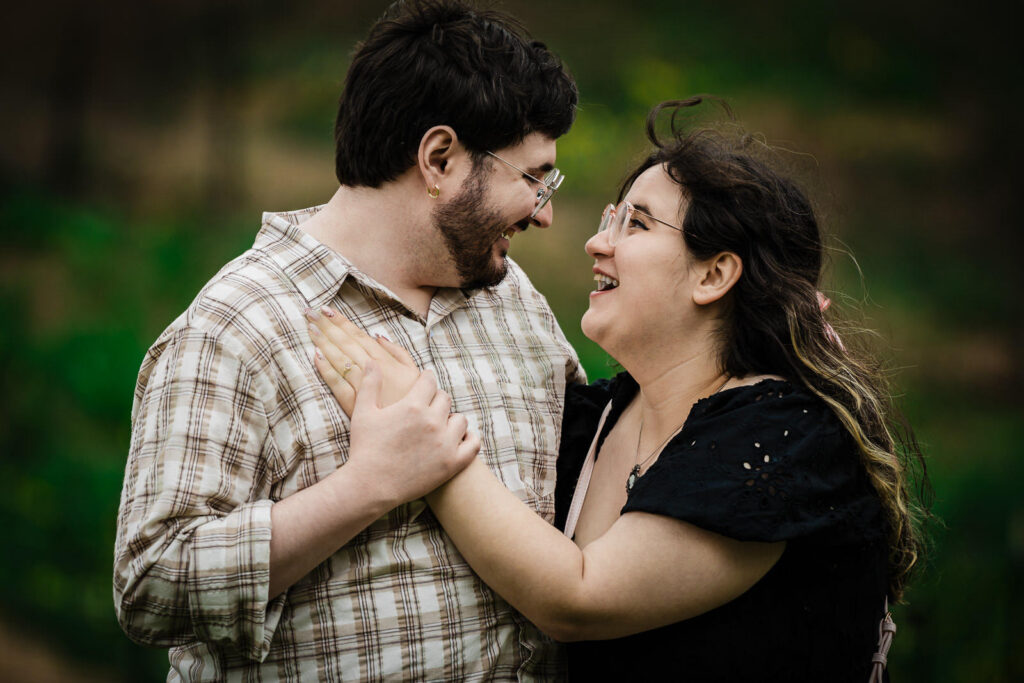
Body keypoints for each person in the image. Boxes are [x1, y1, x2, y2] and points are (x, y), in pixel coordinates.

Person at [308, 97, 930, 681]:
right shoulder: (597, 417)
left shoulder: (785, 435)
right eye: (612, 217)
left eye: (636, 224)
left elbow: (578, 599)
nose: (596, 242)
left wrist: (427, 443)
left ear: (714, 274)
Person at [113, 1, 583, 680]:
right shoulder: (238, 325)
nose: (545, 212)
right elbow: (150, 585)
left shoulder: (516, 303)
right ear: (440, 158)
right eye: (534, 177)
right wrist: (365, 486)